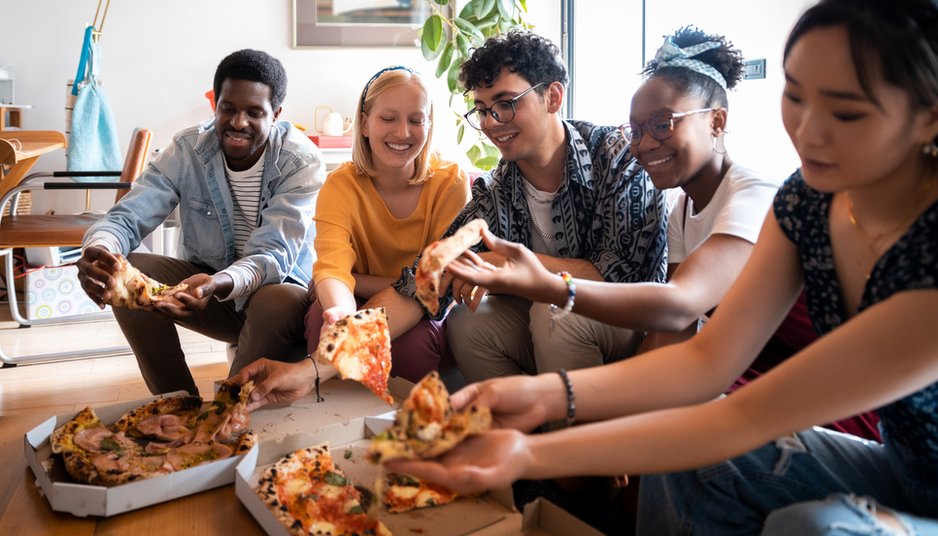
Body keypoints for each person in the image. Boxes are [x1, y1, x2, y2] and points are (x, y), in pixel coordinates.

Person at [389, 1, 938, 536]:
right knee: (686, 458)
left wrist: (534, 450)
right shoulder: (808, 202)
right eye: (795, 96)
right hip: (898, 464)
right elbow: (705, 357)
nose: (809, 131)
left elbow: (737, 400)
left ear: (936, 115)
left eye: (846, 110)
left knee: (815, 530)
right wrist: (538, 397)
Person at [447, 26, 881, 442]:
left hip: (808, 382)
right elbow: (677, 328)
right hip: (728, 359)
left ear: (716, 121)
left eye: (663, 123)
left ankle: (570, 477)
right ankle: (557, 468)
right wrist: (627, 412)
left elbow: (678, 305)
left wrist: (547, 285)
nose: (644, 145)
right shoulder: (685, 207)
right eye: (636, 130)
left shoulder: (753, 195)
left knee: (560, 323)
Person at [369, 29, 668, 384]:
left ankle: (574, 438)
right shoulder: (498, 189)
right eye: (482, 110)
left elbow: (621, 275)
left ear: (553, 97)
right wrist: (313, 366)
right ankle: (517, 430)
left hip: (636, 327)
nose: (492, 123)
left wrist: (506, 265)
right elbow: (424, 280)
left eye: (507, 103)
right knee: (468, 322)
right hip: (553, 328)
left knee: (552, 310)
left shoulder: (617, 156)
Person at [77, 49, 325, 397]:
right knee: (124, 269)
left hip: (274, 307)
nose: (238, 122)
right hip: (212, 299)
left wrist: (216, 284)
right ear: (215, 106)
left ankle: (228, 411)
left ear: (276, 114)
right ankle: (177, 404)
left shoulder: (301, 161)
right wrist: (99, 250)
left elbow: (273, 255)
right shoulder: (188, 150)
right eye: (228, 109)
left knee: (279, 298)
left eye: (254, 112)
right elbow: (128, 216)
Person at [230, 67, 469, 408]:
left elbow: (431, 285)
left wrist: (362, 283)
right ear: (365, 122)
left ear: (430, 124)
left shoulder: (450, 182)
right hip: (352, 296)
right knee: (320, 322)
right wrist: (342, 311)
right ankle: (328, 418)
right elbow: (331, 266)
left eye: (417, 120)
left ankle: (405, 424)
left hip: (421, 308)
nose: (403, 132)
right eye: (388, 118)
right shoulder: (341, 184)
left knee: (412, 345)